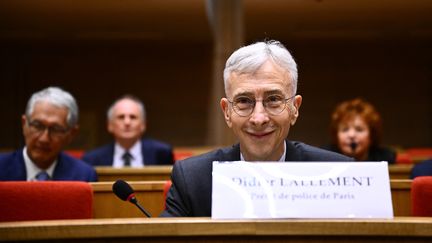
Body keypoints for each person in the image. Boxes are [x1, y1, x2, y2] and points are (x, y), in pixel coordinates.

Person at [161, 40, 352, 217]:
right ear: (227, 112)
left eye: (274, 99)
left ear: (295, 109)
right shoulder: (193, 180)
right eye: (244, 101)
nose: (258, 118)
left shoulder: (340, 174)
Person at [0, 87, 97, 181]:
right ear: (24, 124)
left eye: (56, 129)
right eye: (37, 126)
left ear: (71, 134)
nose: (44, 139)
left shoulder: (83, 176)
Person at [82, 95, 174, 167]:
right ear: (110, 125)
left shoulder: (162, 154)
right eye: (121, 117)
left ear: (143, 125)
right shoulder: (92, 159)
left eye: (133, 117)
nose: (127, 122)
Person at [325, 98, 396, 163]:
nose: (351, 135)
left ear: (372, 134)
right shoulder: (324, 157)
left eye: (359, 130)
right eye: (345, 130)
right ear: (336, 134)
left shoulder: (386, 158)